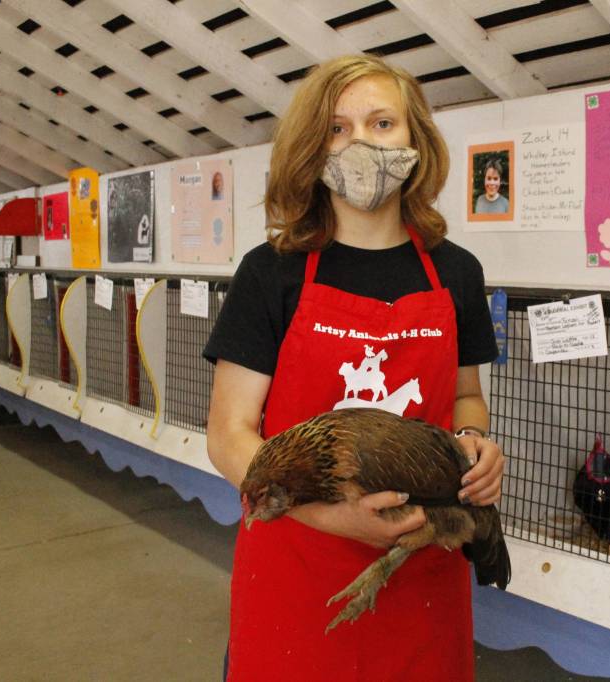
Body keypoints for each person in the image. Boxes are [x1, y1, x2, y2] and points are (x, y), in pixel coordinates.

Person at [204, 54, 503, 682]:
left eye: (382, 123)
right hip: (296, 562)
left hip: (421, 565)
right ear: (312, 149)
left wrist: (475, 446)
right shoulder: (272, 271)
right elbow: (229, 434)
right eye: (337, 129)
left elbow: (465, 398)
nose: (361, 143)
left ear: (415, 139)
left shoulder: (456, 273)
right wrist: (326, 515)